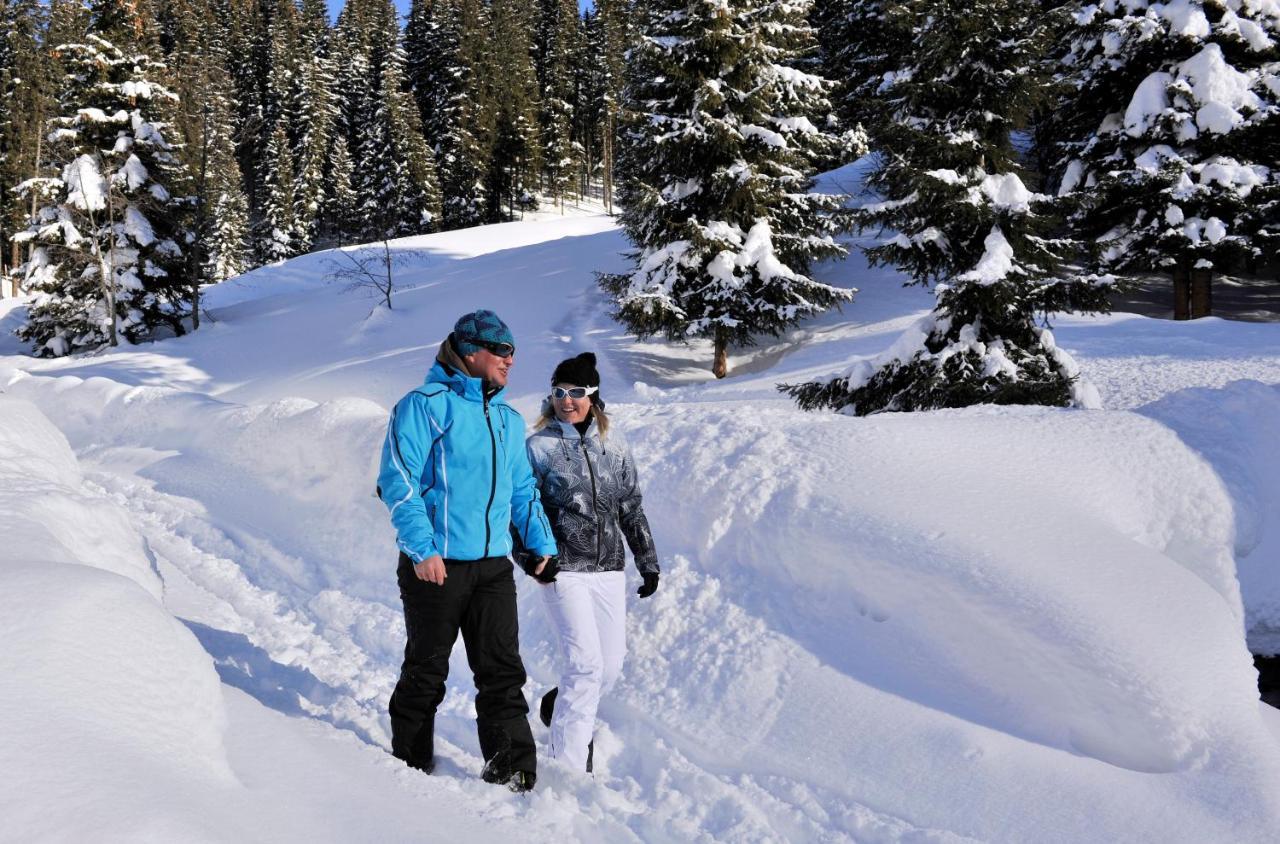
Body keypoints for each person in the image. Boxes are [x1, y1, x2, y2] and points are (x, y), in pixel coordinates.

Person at [377, 309, 558, 793]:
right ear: (470, 350)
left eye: (513, 352)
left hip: (492, 568)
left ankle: (513, 770)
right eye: (501, 351)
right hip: (436, 566)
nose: (510, 360)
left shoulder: (506, 418)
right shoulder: (423, 406)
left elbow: (522, 492)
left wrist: (540, 543)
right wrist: (422, 549)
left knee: (502, 672)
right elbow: (398, 485)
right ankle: (409, 764)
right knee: (427, 670)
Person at [515, 352, 660, 774]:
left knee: (608, 668)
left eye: (575, 392)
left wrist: (647, 562)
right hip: (562, 570)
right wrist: (530, 558)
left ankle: (556, 705)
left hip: (609, 569)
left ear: (592, 396)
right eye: (558, 392)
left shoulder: (614, 446)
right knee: (584, 665)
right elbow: (519, 509)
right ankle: (569, 767)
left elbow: (631, 506)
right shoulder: (538, 448)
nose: (566, 400)